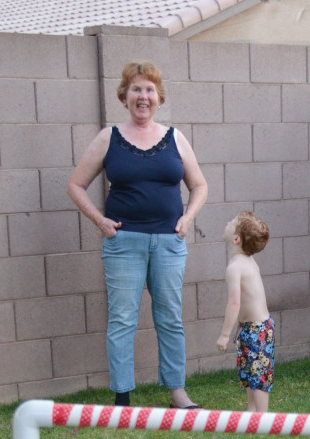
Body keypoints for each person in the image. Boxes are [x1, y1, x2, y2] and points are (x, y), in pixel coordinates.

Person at [67, 60, 208, 408]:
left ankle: (178, 392)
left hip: (168, 244)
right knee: (123, 319)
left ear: (158, 97)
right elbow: (75, 185)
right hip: (124, 243)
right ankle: (122, 397)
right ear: (125, 96)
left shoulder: (175, 137)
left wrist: (188, 218)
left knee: (169, 318)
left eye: (149, 90)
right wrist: (100, 221)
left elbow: (200, 185)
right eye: (136, 89)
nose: (143, 96)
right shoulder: (109, 138)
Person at [216, 212, 275, 413]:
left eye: (231, 223)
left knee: (258, 376)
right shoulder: (246, 261)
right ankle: (251, 414)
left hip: (256, 329)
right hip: (253, 328)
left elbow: (234, 303)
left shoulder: (236, 267)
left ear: (236, 239)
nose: (227, 222)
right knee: (250, 372)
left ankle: (263, 418)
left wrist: (224, 335)